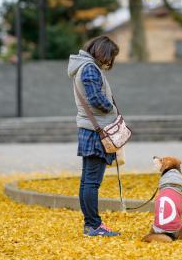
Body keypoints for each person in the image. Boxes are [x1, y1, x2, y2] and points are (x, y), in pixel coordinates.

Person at [68, 35, 120, 237]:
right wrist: (111, 107)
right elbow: (96, 99)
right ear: (102, 52)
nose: (109, 62)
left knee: (87, 181)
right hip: (95, 131)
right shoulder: (89, 68)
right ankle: (93, 226)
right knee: (92, 182)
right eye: (110, 56)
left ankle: (91, 225)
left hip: (91, 129)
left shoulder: (84, 66)